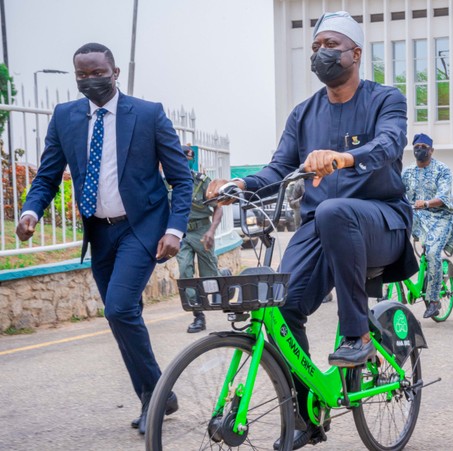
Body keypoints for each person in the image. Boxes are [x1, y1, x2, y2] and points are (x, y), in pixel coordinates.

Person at [205, 12, 417, 449]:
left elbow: (390, 143)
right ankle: (308, 413)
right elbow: (279, 167)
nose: (322, 53)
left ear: (356, 53)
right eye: (317, 45)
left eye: (332, 45)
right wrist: (240, 185)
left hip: (382, 222)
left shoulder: (386, 99)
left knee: (337, 210)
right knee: (281, 307)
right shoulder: (303, 114)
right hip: (321, 229)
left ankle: (357, 334)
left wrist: (344, 157)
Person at [16, 43, 192, 433]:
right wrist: (30, 211)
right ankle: (157, 396)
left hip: (141, 227)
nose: (90, 81)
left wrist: (175, 229)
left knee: (118, 309)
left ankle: (157, 395)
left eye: (98, 73)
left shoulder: (148, 114)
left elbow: (181, 179)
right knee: (122, 317)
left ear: (115, 72)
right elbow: (47, 175)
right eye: (82, 75)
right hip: (99, 232)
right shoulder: (65, 117)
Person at [402, 133, 453, 318]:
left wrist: (425, 203)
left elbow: (444, 196)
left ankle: (434, 300)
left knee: (433, 253)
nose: (420, 150)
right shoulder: (407, 172)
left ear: (431, 150)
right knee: (392, 239)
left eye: (424, 147)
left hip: (440, 217)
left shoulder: (442, 169)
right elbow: (397, 192)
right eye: (417, 146)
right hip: (416, 215)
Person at [177, 145, 223, 333]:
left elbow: (218, 208)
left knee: (209, 276)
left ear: (190, 160)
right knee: (185, 273)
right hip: (182, 234)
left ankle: (223, 278)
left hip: (202, 231)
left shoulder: (202, 182)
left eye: (186, 158)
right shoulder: (168, 183)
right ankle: (198, 316)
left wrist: (211, 231)